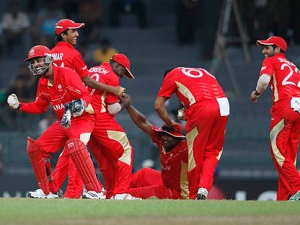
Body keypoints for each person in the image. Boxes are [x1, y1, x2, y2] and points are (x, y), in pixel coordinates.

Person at [6, 45, 105, 199]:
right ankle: (49, 190)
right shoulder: (43, 82)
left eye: (39, 60)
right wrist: (19, 106)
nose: (36, 64)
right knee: (37, 148)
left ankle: (95, 191)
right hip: (63, 122)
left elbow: (85, 96)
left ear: (49, 59)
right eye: (33, 62)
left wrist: (75, 106)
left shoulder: (67, 73)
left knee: (76, 148)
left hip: (82, 119)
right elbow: (40, 107)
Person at [49, 19, 125, 198]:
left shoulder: (50, 54)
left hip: (60, 105)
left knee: (69, 149)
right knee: (78, 148)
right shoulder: (73, 54)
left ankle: (51, 189)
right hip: (77, 107)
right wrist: (114, 89)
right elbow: (88, 80)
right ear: (63, 34)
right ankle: (74, 192)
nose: (77, 34)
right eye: (73, 31)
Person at [154, 67, 230, 200]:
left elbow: (158, 106)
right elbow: (206, 95)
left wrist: (170, 123)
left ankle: (192, 195)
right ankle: (203, 188)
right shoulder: (200, 71)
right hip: (223, 105)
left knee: (195, 154)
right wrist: (189, 112)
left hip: (202, 106)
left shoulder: (171, 76)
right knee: (213, 152)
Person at [250, 36, 300, 201]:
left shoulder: (272, 60)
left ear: (277, 49)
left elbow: (264, 81)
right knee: (289, 157)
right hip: (298, 109)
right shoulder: (294, 67)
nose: (264, 51)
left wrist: (256, 93)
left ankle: (298, 188)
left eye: (267, 47)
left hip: (284, 107)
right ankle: (284, 199)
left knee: (277, 152)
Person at [86, 53, 139, 200]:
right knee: (126, 150)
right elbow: (112, 109)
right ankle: (121, 193)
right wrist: (125, 104)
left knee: (105, 159)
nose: (122, 77)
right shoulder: (112, 76)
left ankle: (111, 193)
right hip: (100, 118)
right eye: (124, 72)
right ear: (117, 66)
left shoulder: (92, 69)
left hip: (85, 121)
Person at [120, 93, 189, 199]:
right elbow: (143, 122)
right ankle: (116, 191)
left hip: (177, 193)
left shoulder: (184, 148)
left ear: (178, 138)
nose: (165, 138)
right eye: (164, 134)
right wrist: (129, 106)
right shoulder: (162, 141)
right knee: (144, 173)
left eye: (170, 136)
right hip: (166, 183)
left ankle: (119, 196)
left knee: (131, 194)